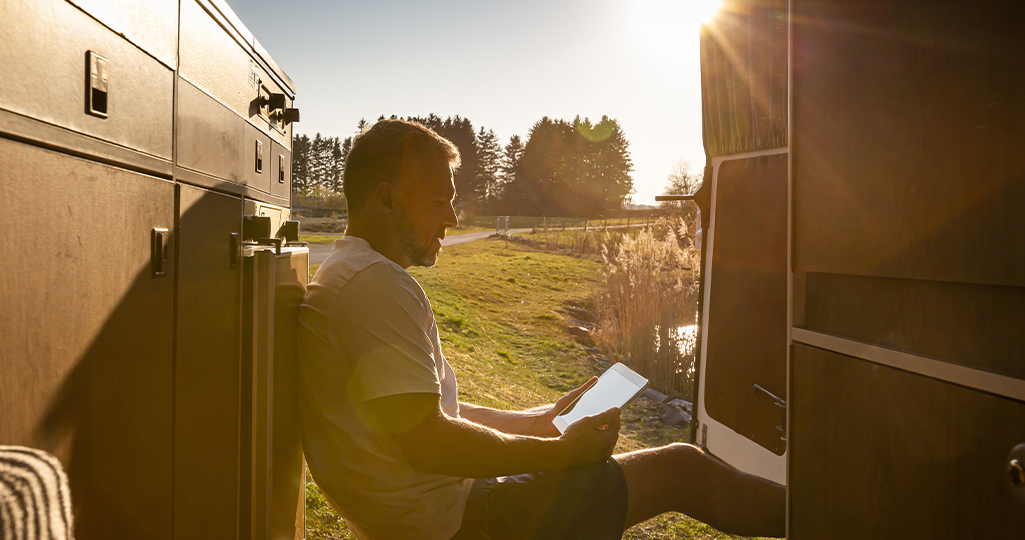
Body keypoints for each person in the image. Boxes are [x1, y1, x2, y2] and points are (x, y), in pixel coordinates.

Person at [296, 120, 784, 540]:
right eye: (440, 201)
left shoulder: (352, 273)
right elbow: (430, 441)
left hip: (447, 511)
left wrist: (536, 421)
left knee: (674, 466)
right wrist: (559, 455)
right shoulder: (376, 283)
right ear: (386, 199)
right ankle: (840, 521)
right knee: (683, 468)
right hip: (464, 523)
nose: (453, 217)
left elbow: (428, 412)